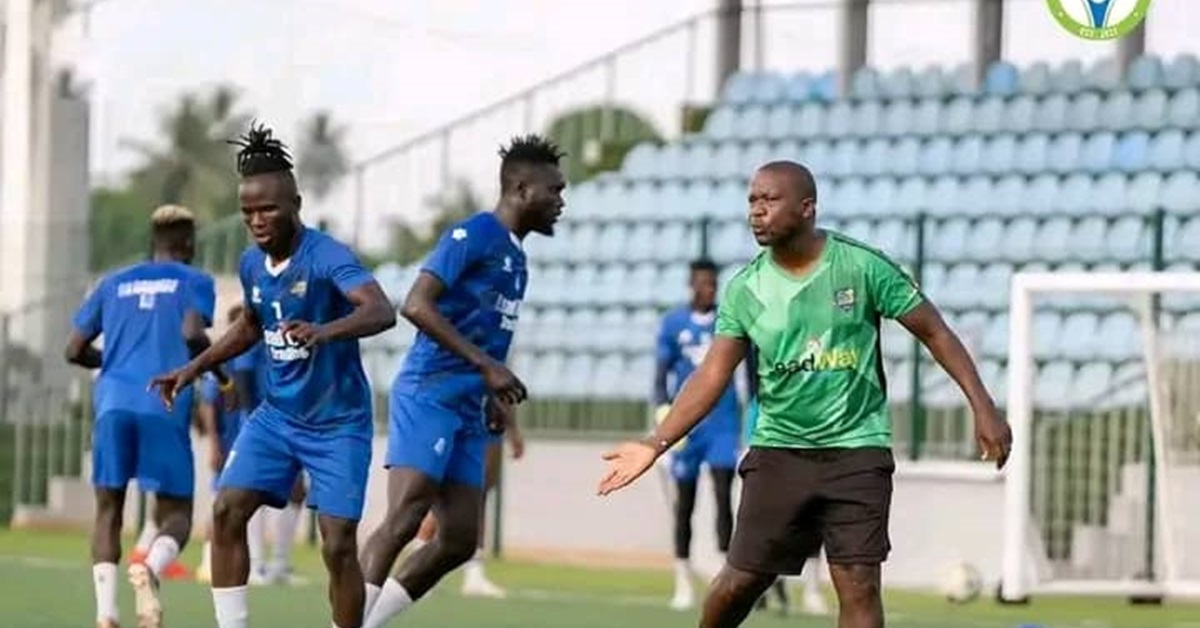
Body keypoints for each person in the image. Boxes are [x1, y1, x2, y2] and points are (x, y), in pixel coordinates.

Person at [596, 160, 1012, 628]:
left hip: (858, 449)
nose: (756, 211)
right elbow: (712, 374)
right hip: (779, 452)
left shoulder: (861, 266)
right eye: (752, 200)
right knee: (740, 583)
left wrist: (983, 406)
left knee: (859, 586)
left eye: (769, 200)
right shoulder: (746, 289)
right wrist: (655, 443)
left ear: (807, 208)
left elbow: (935, 331)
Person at [150, 122, 396, 628]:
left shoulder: (327, 255)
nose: (257, 220)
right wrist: (193, 367)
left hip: (338, 423)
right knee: (226, 511)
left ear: (296, 204)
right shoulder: (251, 264)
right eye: (247, 212)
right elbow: (251, 328)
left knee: (337, 544)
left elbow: (381, 310)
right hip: (277, 418)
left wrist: (325, 331)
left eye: (268, 209)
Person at [359, 134, 565, 628]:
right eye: (554, 191)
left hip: (472, 406)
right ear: (520, 188)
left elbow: (494, 336)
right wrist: (485, 366)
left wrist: (494, 390)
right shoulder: (471, 235)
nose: (561, 202)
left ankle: (368, 622)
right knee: (407, 515)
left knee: (457, 539)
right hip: (430, 390)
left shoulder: (518, 259)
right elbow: (415, 304)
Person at [64, 204, 226, 628]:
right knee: (176, 515)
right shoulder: (195, 280)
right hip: (163, 403)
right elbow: (193, 334)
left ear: (153, 242)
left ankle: (106, 613)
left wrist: (114, 362)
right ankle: (150, 566)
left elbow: (73, 349)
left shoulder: (112, 282)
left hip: (113, 402)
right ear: (188, 242)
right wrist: (219, 372)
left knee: (108, 510)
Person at [652, 258, 741, 612]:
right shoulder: (674, 324)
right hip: (688, 427)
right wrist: (662, 410)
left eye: (713, 284)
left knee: (723, 498)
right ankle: (683, 581)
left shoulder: (729, 321)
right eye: (702, 283)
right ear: (691, 284)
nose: (708, 289)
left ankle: (724, 576)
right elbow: (661, 373)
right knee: (684, 505)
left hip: (723, 424)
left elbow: (747, 368)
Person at [408, 422, 525, 598]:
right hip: (468, 414)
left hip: (480, 417)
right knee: (458, 492)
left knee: (477, 492)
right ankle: (418, 567)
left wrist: (512, 428)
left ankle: (473, 573)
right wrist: (513, 429)